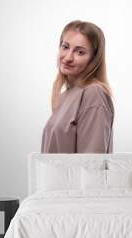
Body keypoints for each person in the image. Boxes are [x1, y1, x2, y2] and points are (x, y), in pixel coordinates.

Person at [41, 20, 114, 153]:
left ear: (94, 59)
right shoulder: (64, 96)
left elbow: (92, 163)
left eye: (80, 52)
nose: (68, 57)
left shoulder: (93, 93)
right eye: (65, 47)